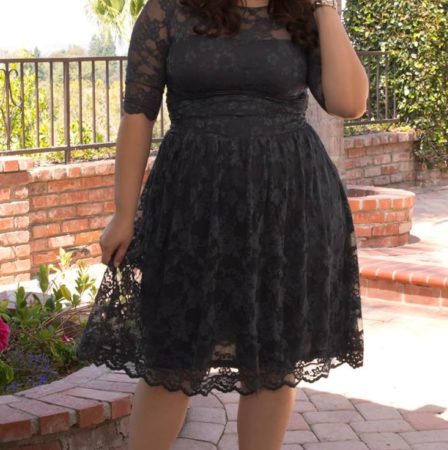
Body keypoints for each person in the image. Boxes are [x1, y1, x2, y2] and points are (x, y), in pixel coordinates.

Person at [76, 0, 368, 449]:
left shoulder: (302, 14)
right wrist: (123, 212)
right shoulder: (168, 11)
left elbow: (349, 102)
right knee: (172, 356)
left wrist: (325, 8)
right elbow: (138, 114)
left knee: (272, 359)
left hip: (285, 209)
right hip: (190, 206)